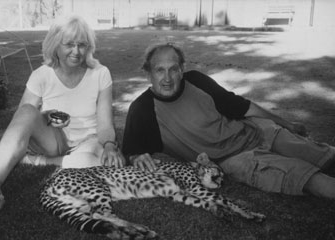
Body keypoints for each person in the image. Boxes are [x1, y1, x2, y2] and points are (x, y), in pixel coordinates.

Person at [122, 43, 335, 199]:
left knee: (325, 156)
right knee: (307, 177)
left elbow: (242, 106)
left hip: (256, 132)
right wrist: (135, 157)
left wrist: (286, 124)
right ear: (148, 73)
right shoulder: (142, 109)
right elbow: (131, 150)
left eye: (173, 69)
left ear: (182, 70)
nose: (167, 78)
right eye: (160, 70)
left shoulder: (196, 80)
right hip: (235, 159)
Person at [0, 15, 125, 221]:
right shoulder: (41, 75)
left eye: (82, 45)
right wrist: (44, 115)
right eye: (69, 44)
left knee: (98, 161)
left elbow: (105, 123)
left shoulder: (100, 73)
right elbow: (21, 120)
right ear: (55, 45)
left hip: (87, 143)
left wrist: (109, 145)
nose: (76, 51)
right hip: (53, 138)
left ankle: (38, 161)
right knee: (27, 109)